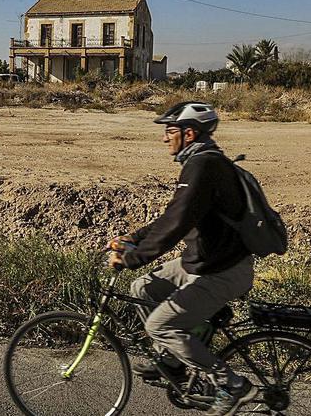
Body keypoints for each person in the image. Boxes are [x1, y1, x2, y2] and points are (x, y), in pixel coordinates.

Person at [107, 101, 256, 415]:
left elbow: (175, 226)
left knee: (160, 326)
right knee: (143, 289)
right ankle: (174, 362)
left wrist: (133, 258)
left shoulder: (204, 165)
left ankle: (231, 384)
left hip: (222, 270)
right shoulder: (202, 162)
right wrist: (133, 240)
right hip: (203, 261)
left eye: (169, 131)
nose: (164, 138)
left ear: (189, 133)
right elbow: (174, 216)